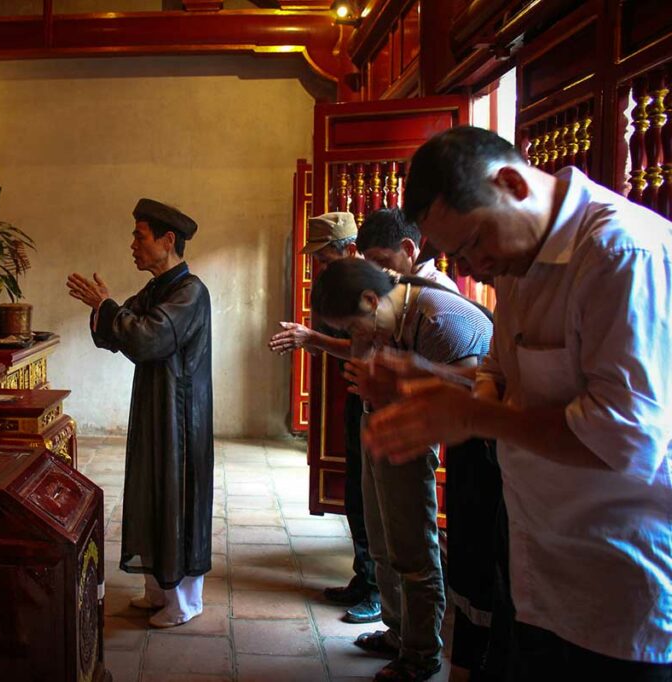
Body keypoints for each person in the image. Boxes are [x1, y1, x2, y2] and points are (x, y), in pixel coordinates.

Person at [364, 126, 672, 680]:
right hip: (536, 566)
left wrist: (473, 414)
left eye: (474, 243)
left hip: (619, 581)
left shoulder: (618, 253)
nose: (470, 268)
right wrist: (442, 383)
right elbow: (498, 378)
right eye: (456, 254)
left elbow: (625, 436)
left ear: (510, 183)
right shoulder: (518, 266)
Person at [312, 257, 493, 682]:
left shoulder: (442, 319)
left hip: (423, 435)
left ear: (372, 300)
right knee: (382, 543)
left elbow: (476, 392)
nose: (356, 338)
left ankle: (421, 653)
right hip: (381, 419)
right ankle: (397, 633)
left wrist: (409, 381)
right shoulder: (384, 313)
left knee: (413, 550)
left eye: (355, 327)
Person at [66, 198, 214, 629]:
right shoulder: (156, 289)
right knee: (152, 490)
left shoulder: (191, 292)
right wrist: (103, 308)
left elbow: (149, 337)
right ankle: (158, 589)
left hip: (182, 417)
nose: (133, 244)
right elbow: (120, 331)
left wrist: (109, 307)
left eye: (140, 235)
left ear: (168, 241)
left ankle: (184, 601)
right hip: (156, 406)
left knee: (176, 494)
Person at [268, 211, 381, 624]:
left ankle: (378, 591)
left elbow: (360, 349)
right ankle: (363, 577)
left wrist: (311, 338)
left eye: (325, 260)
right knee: (355, 494)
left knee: (373, 500)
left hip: (380, 402)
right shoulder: (344, 286)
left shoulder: (374, 288)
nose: (319, 268)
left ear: (349, 249)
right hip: (355, 398)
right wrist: (312, 338)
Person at [356, 207, 459, 292]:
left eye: (381, 260)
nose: (376, 271)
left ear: (408, 248)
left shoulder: (438, 290)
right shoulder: (388, 286)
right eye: (370, 264)